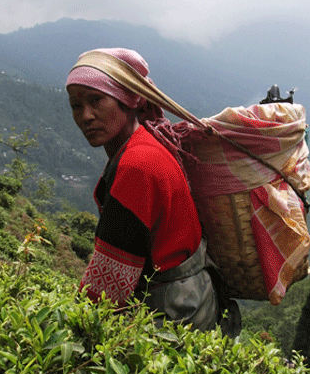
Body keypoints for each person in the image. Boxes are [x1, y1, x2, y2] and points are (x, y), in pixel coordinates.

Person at [66, 47, 241, 336]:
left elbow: (105, 291)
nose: (86, 116)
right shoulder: (145, 145)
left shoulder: (137, 165)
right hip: (194, 299)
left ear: (127, 99)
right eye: (75, 105)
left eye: (96, 100)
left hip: (175, 314)